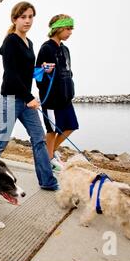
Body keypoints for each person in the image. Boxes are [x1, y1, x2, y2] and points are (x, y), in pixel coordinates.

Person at [0, 1, 59, 191]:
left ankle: (48, 181)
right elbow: (11, 75)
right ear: (15, 19)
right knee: (1, 141)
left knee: (39, 139)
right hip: (11, 99)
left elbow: (27, 72)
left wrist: (41, 69)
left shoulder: (30, 43)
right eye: (23, 17)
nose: (27, 20)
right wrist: (29, 98)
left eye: (30, 17)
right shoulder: (10, 41)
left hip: (26, 100)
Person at [36, 14, 78, 172]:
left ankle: (50, 152)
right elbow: (36, 73)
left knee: (71, 126)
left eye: (71, 29)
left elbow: (69, 71)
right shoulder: (46, 48)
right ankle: (49, 160)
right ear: (58, 28)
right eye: (68, 28)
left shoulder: (65, 49)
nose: (70, 32)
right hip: (51, 99)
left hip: (66, 98)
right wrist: (44, 69)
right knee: (52, 130)